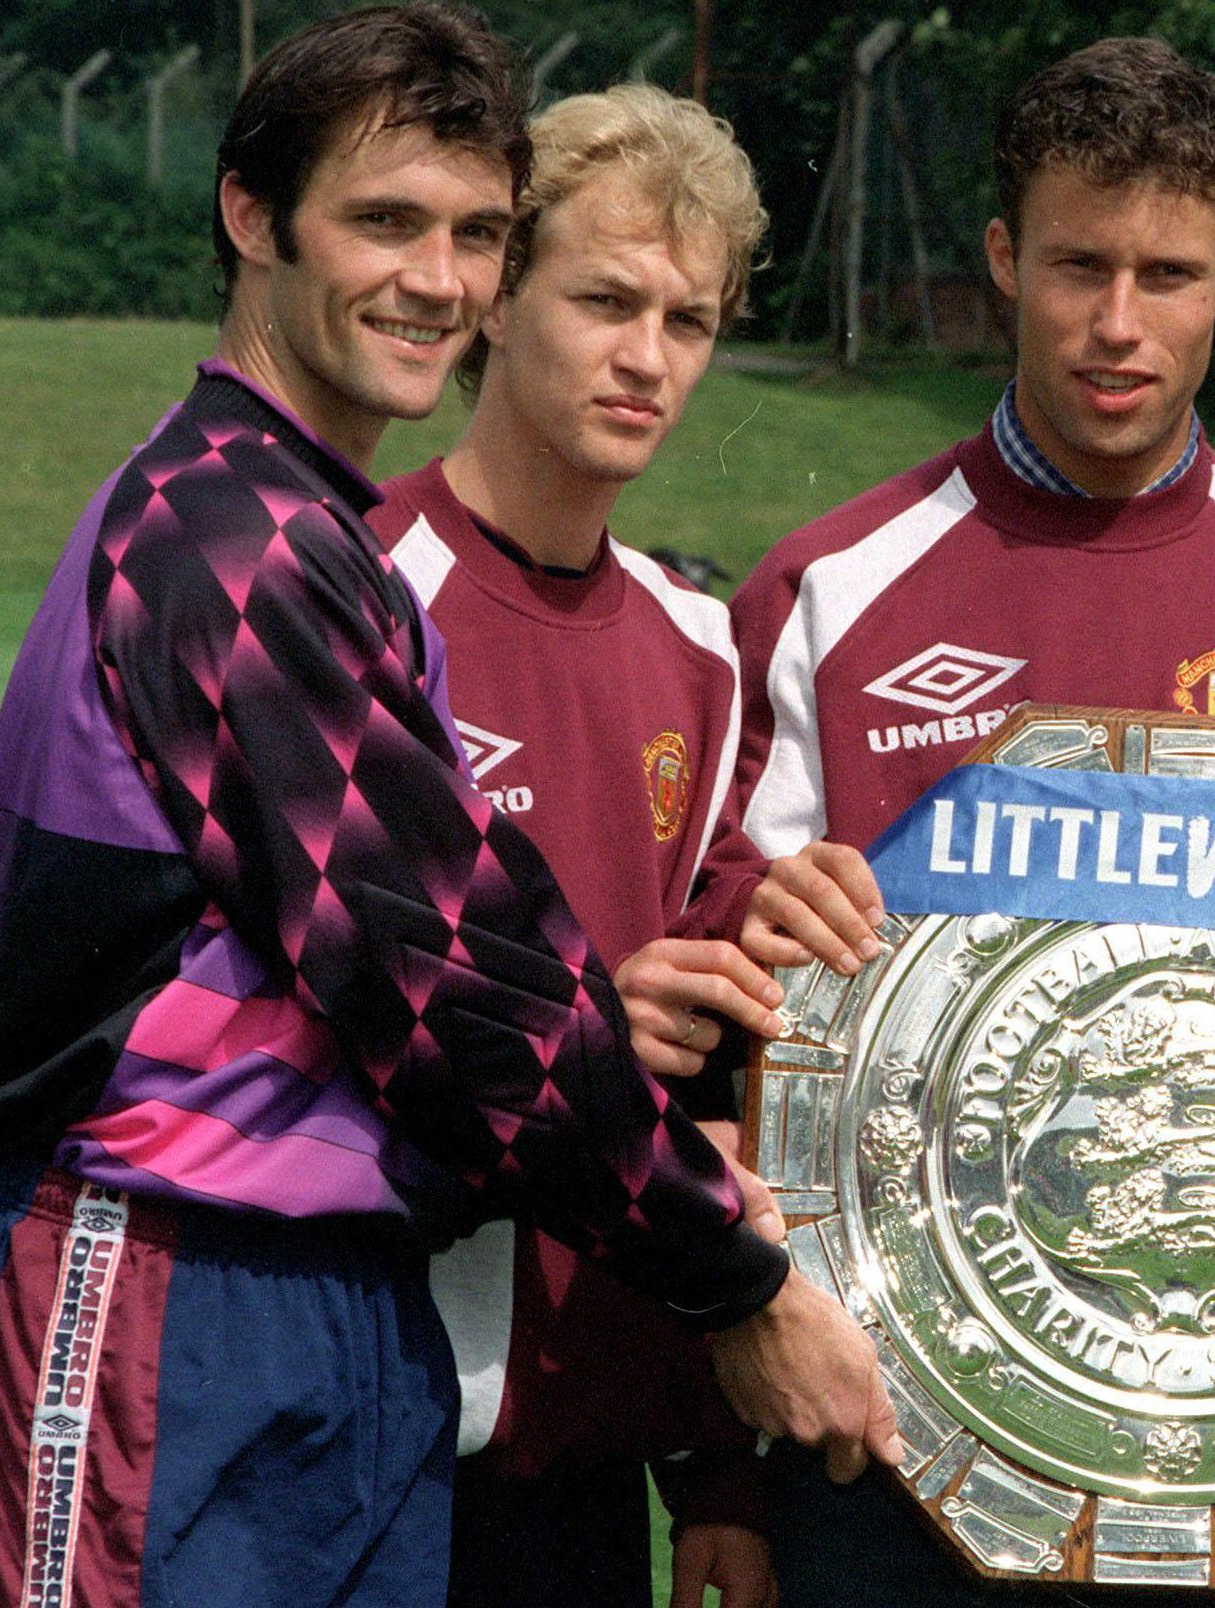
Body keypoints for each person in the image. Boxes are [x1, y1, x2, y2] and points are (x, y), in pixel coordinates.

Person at [0, 13, 885, 1607]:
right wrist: (740, 1282)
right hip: (172, 1282)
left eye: (473, 234)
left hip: (350, 1307)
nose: (435, 279)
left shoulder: (315, 530)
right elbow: (460, 994)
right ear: (251, 214)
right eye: (383, 222)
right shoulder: (224, 538)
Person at [717, 35, 1215, 1608]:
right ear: (1001, 258)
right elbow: (733, 1029)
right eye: (1077, 266)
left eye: (1168, 273)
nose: (1119, 324)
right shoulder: (826, 592)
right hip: (902, 1453)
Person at [359, 83, 840, 1608]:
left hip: (584, 1453)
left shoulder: (700, 647)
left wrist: (711, 1469)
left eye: (687, 321)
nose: (645, 358)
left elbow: (693, 1081)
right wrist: (570, 1027)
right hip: (373, 1406)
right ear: (499, 296)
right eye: (605, 300)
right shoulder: (362, 585)